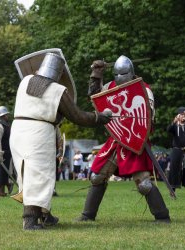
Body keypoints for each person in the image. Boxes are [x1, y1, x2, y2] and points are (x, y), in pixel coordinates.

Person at [10, 52, 112, 230]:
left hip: (18, 131)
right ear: (59, 74)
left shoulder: (25, 81)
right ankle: (30, 220)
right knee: (38, 177)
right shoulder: (56, 90)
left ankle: (45, 214)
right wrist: (99, 118)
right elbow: (78, 116)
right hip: (38, 135)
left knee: (31, 175)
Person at [76, 55, 171, 223]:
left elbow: (148, 120)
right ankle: (87, 215)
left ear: (131, 72)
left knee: (143, 184)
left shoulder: (143, 89)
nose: (119, 78)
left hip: (135, 140)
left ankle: (162, 216)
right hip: (116, 138)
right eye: (116, 74)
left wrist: (138, 136)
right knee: (97, 176)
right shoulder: (110, 86)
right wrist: (96, 75)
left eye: (123, 74)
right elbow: (94, 97)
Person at [0, 106, 13, 197]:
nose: (7, 116)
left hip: (7, 152)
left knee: (5, 173)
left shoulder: (6, 125)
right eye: (6, 114)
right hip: (0, 152)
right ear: (3, 115)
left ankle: (2, 191)